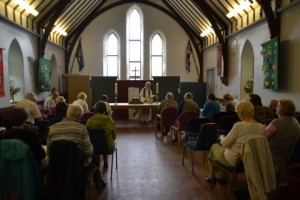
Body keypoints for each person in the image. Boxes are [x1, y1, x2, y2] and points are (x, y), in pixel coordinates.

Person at [206, 100, 265, 183]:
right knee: (223, 150)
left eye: (238, 113)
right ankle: (222, 176)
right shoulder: (262, 127)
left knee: (214, 147)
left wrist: (222, 137)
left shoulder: (239, 125)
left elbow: (225, 143)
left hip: (235, 161)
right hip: (251, 161)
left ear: (241, 113)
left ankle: (213, 176)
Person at [86, 101, 116, 168]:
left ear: (95, 109)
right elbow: (114, 136)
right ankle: (105, 161)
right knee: (106, 141)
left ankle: (97, 164)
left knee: (97, 144)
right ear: (105, 110)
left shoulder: (90, 120)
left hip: (93, 146)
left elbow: (87, 134)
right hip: (108, 147)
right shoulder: (110, 121)